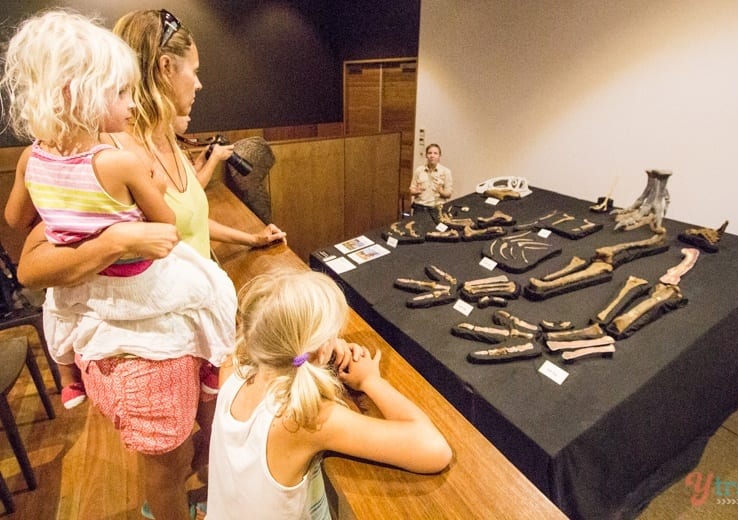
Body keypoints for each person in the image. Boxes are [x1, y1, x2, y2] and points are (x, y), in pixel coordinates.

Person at [12, 8, 284, 519]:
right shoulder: (101, 149)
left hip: (188, 315)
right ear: (164, 68)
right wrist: (117, 239)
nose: (200, 83)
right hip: (152, 333)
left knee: (206, 443)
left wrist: (248, 237)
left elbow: (184, 215)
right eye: (195, 70)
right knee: (170, 466)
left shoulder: (166, 138)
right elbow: (30, 264)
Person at [1, 10, 235, 413]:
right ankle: (216, 362)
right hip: (147, 310)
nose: (199, 83)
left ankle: (68, 380)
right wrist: (118, 235)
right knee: (217, 289)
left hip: (124, 310)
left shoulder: (34, 158)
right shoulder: (113, 157)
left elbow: (17, 219)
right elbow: (164, 225)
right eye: (120, 92)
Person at [207, 269, 452, 519]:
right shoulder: (303, 418)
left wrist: (321, 349)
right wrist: (371, 380)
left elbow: (273, 346)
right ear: (321, 348)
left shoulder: (232, 367)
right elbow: (434, 450)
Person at [408, 143, 453, 213]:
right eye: (429, 153)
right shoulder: (419, 170)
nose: (432, 156)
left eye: (435, 153)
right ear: (426, 155)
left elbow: (448, 194)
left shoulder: (446, 172)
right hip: (419, 208)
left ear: (439, 156)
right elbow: (411, 190)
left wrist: (440, 190)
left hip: (437, 208)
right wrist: (417, 191)